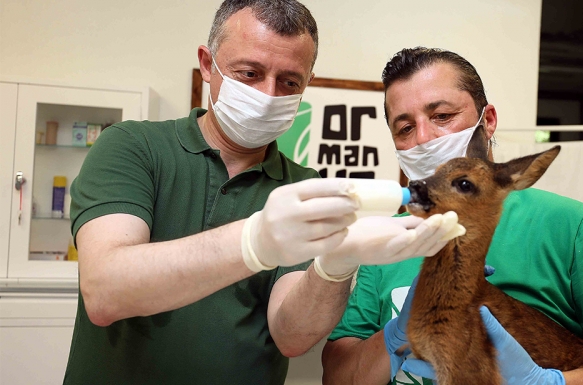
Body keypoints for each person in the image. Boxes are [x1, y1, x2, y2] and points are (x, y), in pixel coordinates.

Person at [62, 4, 457, 385]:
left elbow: (292, 336)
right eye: (249, 73)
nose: (268, 94)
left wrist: (336, 265)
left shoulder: (303, 185)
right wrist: (255, 240)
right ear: (207, 64)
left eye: (289, 82)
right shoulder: (134, 146)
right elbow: (105, 292)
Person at [321, 47, 583, 385]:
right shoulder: (383, 241)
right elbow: (337, 375)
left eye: (442, 115)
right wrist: (392, 339)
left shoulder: (567, 226)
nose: (424, 138)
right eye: (405, 127)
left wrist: (550, 383)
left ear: (486, 122)